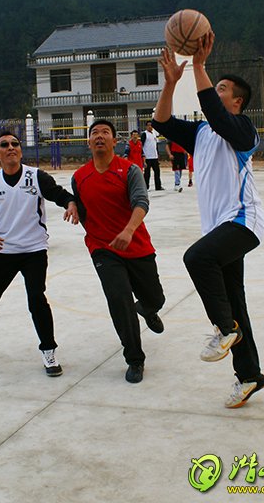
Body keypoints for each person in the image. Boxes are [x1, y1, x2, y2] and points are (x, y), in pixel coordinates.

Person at [152, 32, 264, 409]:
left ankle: (224, 328)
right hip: (221, 227)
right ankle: (249, 375)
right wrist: (171, 83)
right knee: (235, 300)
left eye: (221, 89)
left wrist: (199, 66)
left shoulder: (243, 130)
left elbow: (218, 116)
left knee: (197, 258)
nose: (214, 92)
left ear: (237, 101)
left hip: (243, 221)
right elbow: (161, 121)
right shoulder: (202, 133)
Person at [0, 131, 78, 376]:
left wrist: (71, 204)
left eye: (15, 144)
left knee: (36, 299)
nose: (11, 147)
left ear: (21, 151)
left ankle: (48, 350)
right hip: (3, 251)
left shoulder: (36, 177)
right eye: (4, 145)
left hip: (34, 250)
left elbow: (61, 195)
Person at [72, 119, 165, 384]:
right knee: (119, 300)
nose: (99, 136)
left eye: (105, 132)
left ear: (114, 141)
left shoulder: (129, 170)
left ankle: (147, 308)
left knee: (156, 298)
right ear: (89, 142)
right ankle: (134, 359)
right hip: (103, 249)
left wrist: (128, 230)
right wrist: (71, 205)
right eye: (94, 133)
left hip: (136, 245)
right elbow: (80, 205)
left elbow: (141, 201)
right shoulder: (79, 177)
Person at [141, 120, 164, 191]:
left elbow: (155, 145)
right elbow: (141, 145)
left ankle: (158, 186)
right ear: (146, 126)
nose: (150, 127)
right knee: (147, 173)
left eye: (151, 125)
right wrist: (143, 155)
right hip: (147, 157)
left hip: (154, 156)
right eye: (148, 125)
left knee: (157, 172)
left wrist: (157, 154)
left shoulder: (154, 134)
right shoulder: (144, 134)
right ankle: (146, 186)